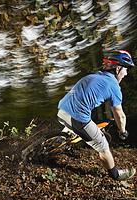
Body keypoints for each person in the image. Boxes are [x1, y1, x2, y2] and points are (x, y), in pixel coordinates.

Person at [57, 49, 136, 181]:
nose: (126, 73)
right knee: (103, 146)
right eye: (125, 69)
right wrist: (123, 131)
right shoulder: (114, 86)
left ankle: (50, 145)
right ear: (117, 69)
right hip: (77, 118)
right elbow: (120, 115)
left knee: (73, 128)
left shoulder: (93, 76)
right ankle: (116, 175)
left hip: (61, 110)